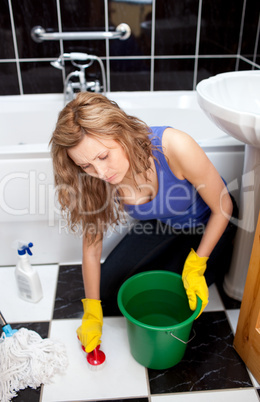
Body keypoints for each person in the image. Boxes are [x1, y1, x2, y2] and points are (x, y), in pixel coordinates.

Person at [50, 92, 238, 354]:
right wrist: (92, 311)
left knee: (179, 299)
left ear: (121, 133)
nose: (101, 173)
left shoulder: (174, 146)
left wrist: (197, 264)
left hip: (209, 225)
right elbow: (92, 249)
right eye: (86, 165)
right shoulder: (94, 179)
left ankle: (210, 263)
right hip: (162, 225)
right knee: (109, 295)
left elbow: (223, 206)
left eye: (103, 156)